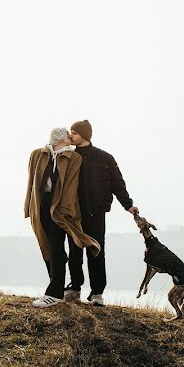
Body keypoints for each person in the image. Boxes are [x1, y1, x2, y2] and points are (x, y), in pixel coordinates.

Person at [64, 119, 138, 306]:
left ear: (84, 135)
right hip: (73, 214)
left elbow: (117, 183)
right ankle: (74, 289)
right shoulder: (68, 157)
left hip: (96, 213)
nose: (70, 135)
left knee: (96, 251)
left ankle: (97, 293)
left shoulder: (104, 158)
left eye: (73, 132)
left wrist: (128, 205)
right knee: (74, 252)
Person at [25, 127, 100, 308]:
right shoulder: (37, 154)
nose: (70, 138)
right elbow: (30, 182)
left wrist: (65, 210)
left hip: (60, 208)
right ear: (59, 138)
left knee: (57, 247)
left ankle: (55, 293)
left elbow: (71, 186)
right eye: (67, 134)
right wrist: (28, 205)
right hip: (41, 205)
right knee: (48, 246)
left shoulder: (74, 158)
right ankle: (55, 284)